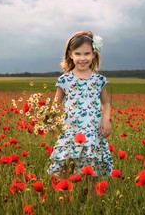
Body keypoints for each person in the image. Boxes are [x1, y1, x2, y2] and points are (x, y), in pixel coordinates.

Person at [48, 31, 114, 179]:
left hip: (92, 131)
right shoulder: (64, 79)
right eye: (78, 54)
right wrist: (49, 118)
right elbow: (56, 103)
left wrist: (106, 119)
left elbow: (106, 102)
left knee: (91, 172)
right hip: (71, 130)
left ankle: (90, 199)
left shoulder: (99, 80)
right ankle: (64, 198)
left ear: (94, 54)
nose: (82, 58)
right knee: (64, 168)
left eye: (87, 54)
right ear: (71, 55)